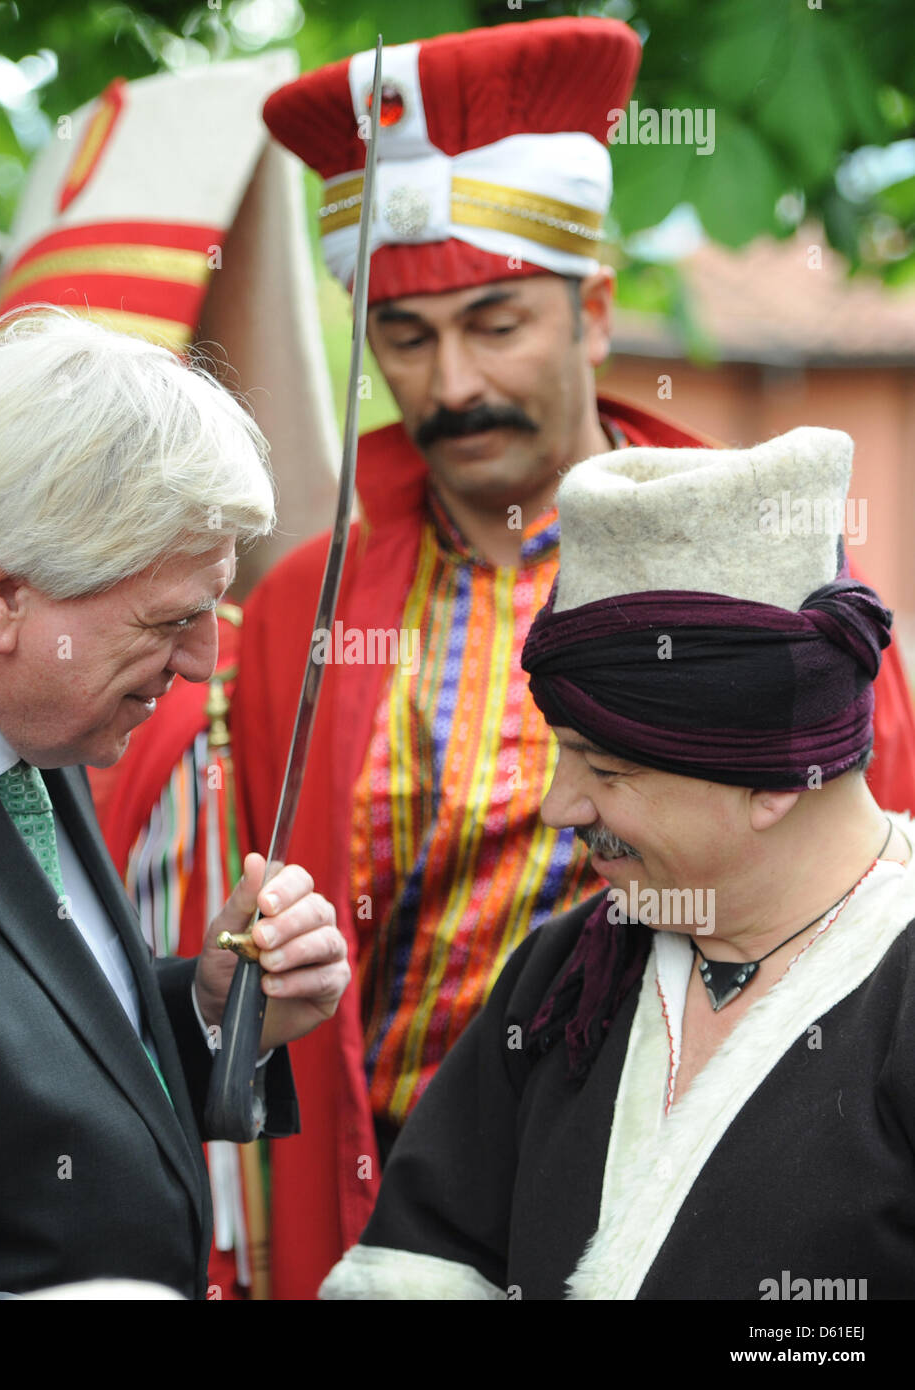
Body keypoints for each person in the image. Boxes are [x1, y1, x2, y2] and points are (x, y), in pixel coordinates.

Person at [97, 17, 915, 1297]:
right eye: (409, 336)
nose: (453, 379)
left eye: (496, 322)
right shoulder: (309, 609)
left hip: (711, 1180)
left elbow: (853, 908)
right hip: (394, 1205)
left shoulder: (767, 585)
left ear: (593, 310)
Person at [0, 309, 349, 1300]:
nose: (203, 664)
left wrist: (202, 1014)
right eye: (172, 622)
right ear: (3, 599)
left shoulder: (6, 696)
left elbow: (11, 1047)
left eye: (214, 612)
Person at [321, 425, 915, 1299]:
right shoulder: (567, 973)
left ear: (773, 770)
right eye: (562, 756)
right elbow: (430, 1258)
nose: (562, 806)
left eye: (607, 767)